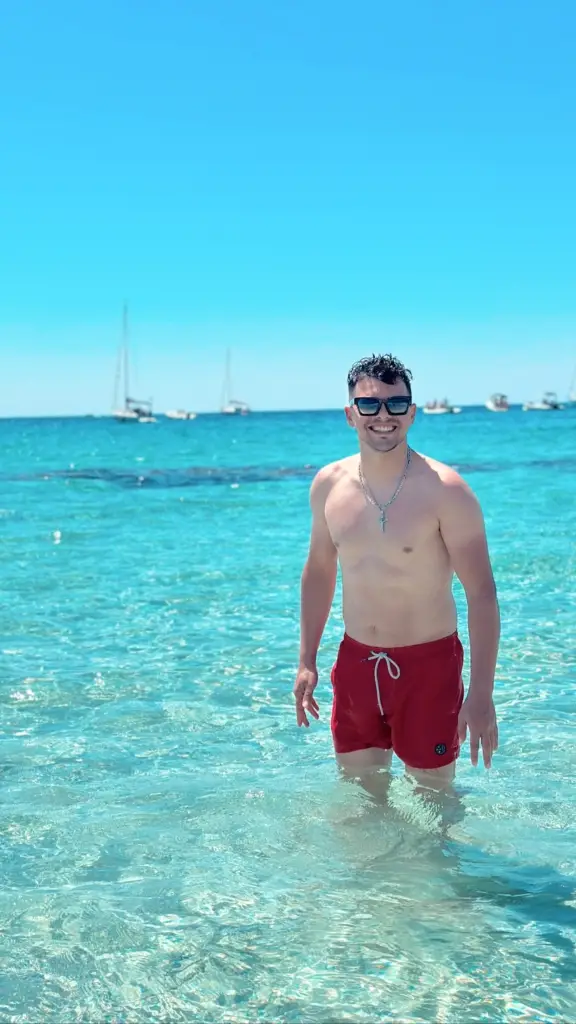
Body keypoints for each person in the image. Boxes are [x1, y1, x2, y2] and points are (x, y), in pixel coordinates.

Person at [293, 353, 499, 792]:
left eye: (396, 403)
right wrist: (306, 660)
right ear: (350, 414)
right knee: (360, 796)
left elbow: (482, 593)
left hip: (429, 668)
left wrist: (481, 694)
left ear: (412, 413)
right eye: (369, 404)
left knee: (435, 799)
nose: (383, 415)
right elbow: (319, 571)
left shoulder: (447, 491)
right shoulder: (328, 485)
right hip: (355, 663)